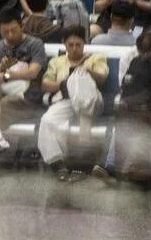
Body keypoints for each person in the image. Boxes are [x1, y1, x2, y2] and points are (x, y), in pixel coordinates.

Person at [0, 8, 47, 182]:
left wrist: (6, 74)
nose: (10, 34)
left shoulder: (35, 44)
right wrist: (0, 68)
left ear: (22, 26)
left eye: (14, 30)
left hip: (26, 98)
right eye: (5, 31)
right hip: (3, 94)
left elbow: (33, 73)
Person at [36, 25, 109, 181]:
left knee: (80, 76)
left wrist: (86, 70)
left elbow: (102, 79)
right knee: (47, 120)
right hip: (68, 101)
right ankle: (58, 164)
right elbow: (45, 84)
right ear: (64, 44)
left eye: (78, 45)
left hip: (93, 100)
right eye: (71, 45)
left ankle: (81, 162)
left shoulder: (96, 58)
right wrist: (65, 83)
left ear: (84, 43)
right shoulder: (57, 62)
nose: (75, 49)